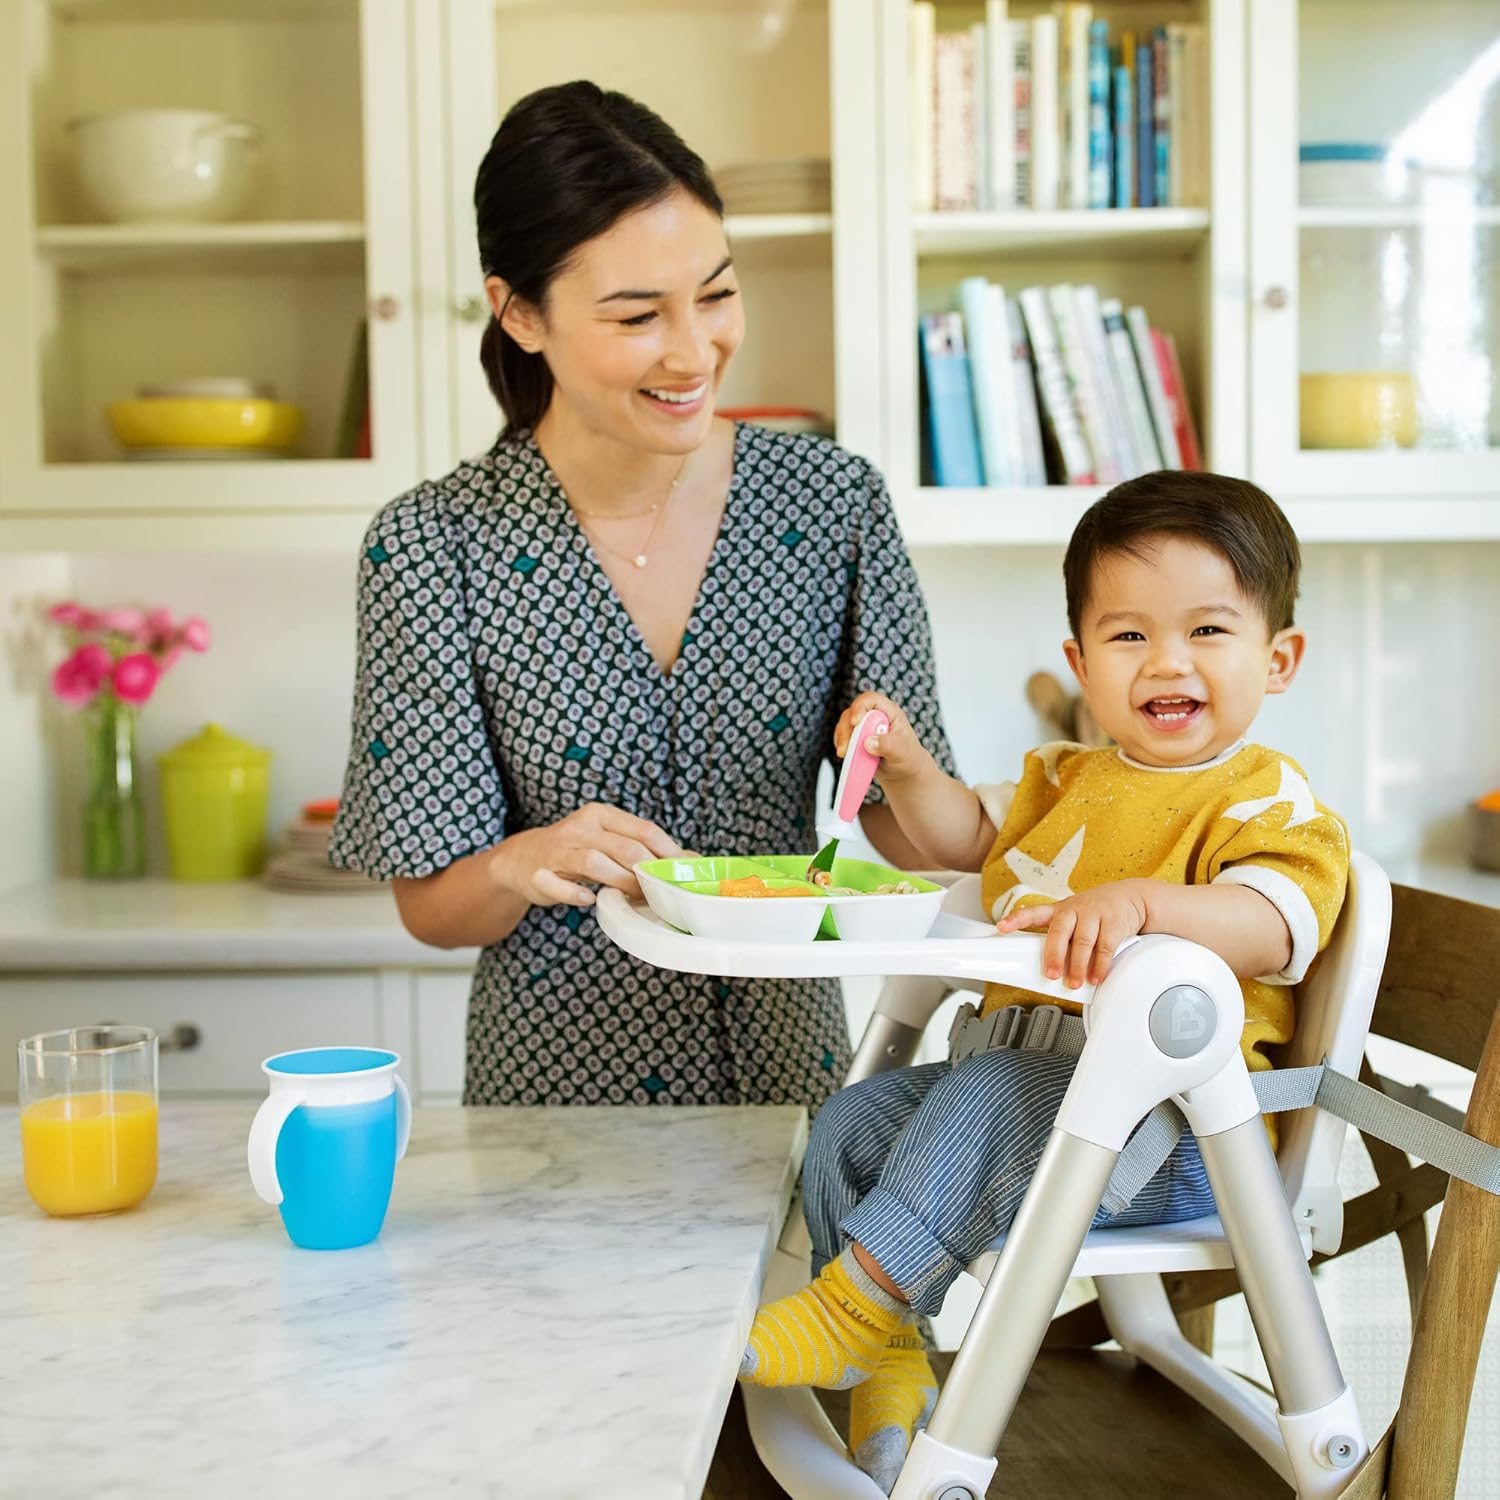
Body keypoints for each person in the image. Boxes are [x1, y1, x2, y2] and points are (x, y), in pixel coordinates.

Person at [327, 79, 953, 1113]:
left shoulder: (832, 505)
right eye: (636, 315)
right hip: (555, 1102)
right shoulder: (432, 544)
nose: (692, 350)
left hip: (788, 1083)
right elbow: (434, 907)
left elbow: (908, 838)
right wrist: (524, 860)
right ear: (520, 313)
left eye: (715, 294)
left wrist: (914, 768)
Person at [738, 470, 1351, 1493]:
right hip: (1035, 1109)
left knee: (976, 1097)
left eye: (1208, 632)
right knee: (851, 1120)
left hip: (1174, 1138)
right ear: (1079, 659)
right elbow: (968, 849)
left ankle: (850, 1311)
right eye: (1129, 637)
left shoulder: (1268, 798)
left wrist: (1146, 904)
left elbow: (1272, 923)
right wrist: (908, 773)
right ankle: (891, 1356)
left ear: (1277, 657)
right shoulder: (1062, 779)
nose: (1167, 662)